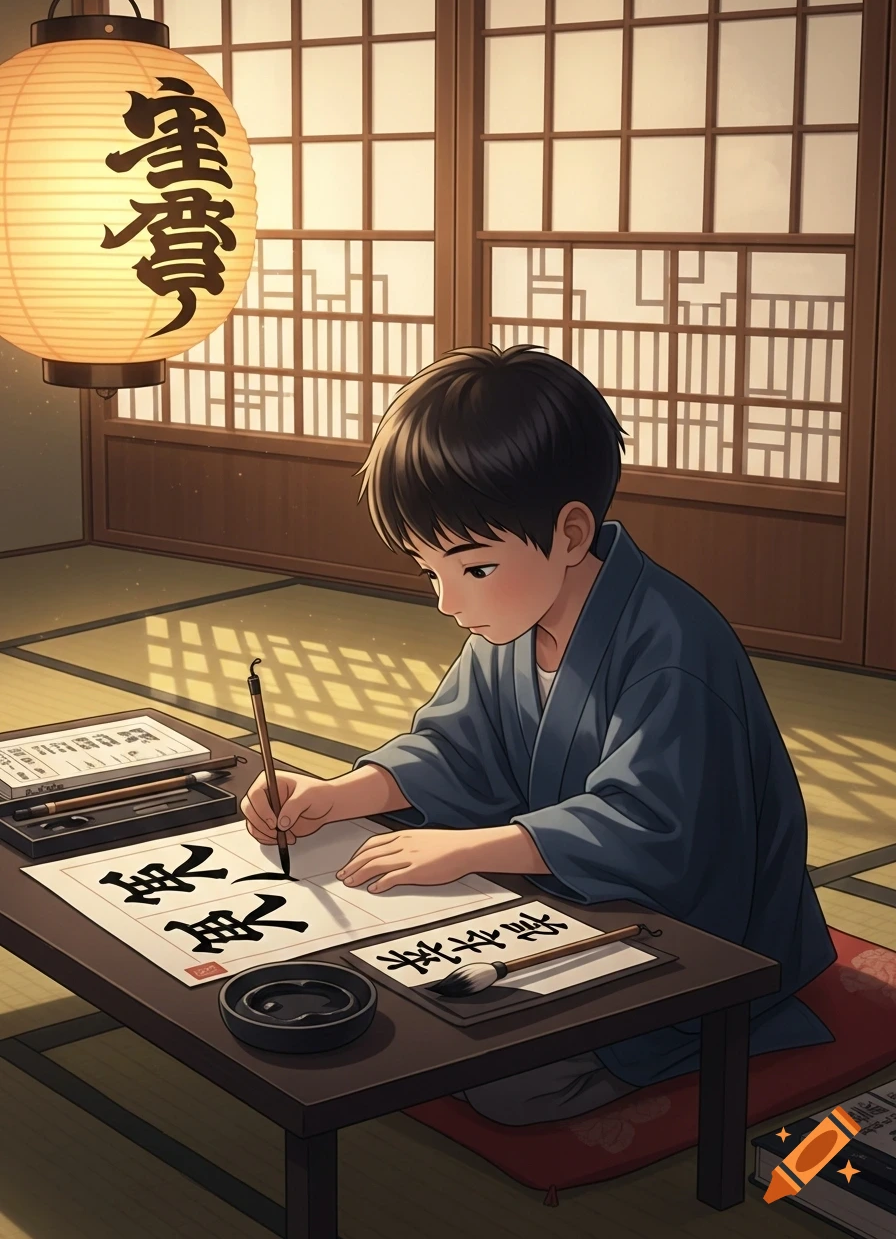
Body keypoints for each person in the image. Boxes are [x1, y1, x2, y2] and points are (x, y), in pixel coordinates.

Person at [240, 344, 835, 1126]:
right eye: (430, 573)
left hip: (696, 924)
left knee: (503, 1080)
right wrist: (339, 794)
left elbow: (660, 828)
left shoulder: (674, 647)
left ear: (571, 531)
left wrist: (473, 848)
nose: (450, 602)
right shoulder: (515, 620)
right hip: (564, 892)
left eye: (473, 568)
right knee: (420, 1003)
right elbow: (459, 745)